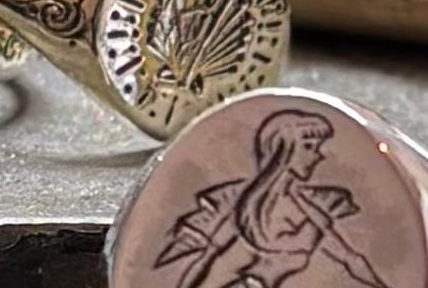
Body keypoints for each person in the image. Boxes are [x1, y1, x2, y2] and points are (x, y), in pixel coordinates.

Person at [156, 110, 390, 288]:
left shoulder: (312, 212)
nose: (318, 156)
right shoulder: (244, 211)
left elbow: (352, 260)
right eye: (308, 146)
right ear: (283, 149)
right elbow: (207, 264)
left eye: (318, 147)